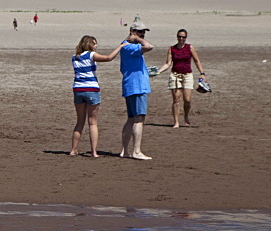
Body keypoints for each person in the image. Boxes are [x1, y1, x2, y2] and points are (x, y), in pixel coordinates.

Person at [69, 35, 126, 157]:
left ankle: (73, 149)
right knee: (92, 122)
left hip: (78, 89)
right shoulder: (90, 55)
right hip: (91, 89)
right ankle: (94, 152)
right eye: (94, 44)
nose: (96, 46)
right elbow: (108, 58)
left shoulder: (75, 57)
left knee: (79, 122)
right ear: (89, 44)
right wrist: (120, 46)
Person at [156, 29, 206, 128]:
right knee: (176, 99)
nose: (181, 38)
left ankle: (186, 116)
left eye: (183, 37)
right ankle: (176, 122)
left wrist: (202, 73)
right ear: (177, 37)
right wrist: (158, 71)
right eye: (179, 36)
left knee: (187, 100)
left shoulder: (189, 47)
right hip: (175, 75)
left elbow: (196, 61)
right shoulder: (172, 49)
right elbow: (167, 64)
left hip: (187, 75)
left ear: (186, 38)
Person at [120, 22, 155, 159]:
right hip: (137, 86)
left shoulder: (127, 46)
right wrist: (137, 39)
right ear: (133, 31)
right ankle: (136, 151)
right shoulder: (129, 46)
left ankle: (125, 151)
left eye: (143, 32)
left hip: (132, 85)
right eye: (140, 32)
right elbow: (149, 46)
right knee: (139, 118)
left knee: (131, 119)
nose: (143, 34)